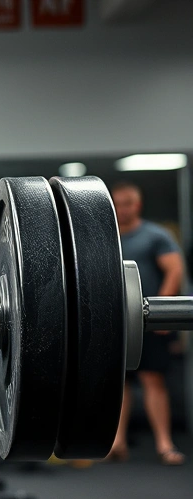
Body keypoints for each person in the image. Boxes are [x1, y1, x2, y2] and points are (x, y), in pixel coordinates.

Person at [108, 182, 186, 465]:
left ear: (137, 205)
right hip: (117, 321)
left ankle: (164, 444)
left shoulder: (155, 236)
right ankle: (117, 443)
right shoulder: (107, 237)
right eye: (116, 204)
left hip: (147, 319)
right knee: (118, 383)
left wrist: (159, 312)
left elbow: (175, 271)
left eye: (126, 204)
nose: (120, 210)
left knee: (153, 379)